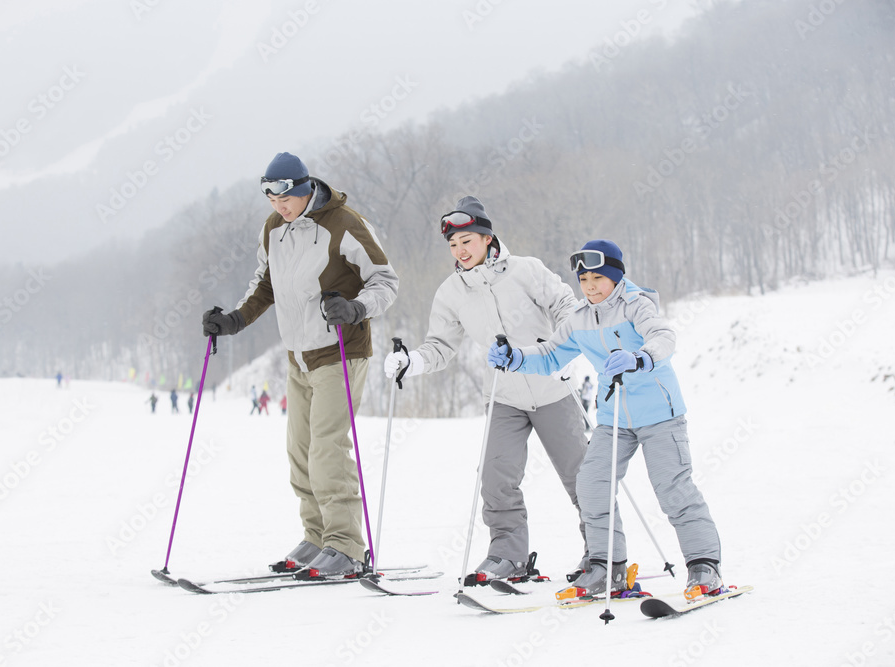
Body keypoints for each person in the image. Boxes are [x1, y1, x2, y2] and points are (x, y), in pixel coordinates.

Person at [488, 239, 724, 600]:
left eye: (598, 277)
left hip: (660, 414)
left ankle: (704, 566)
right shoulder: (580, 318)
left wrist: (640, 357)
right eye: (584, 280)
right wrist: (515, 357)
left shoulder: (636, 305)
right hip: (615, 419)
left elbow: (663, 335)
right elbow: (552, 355)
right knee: (591, 484)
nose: (591, 286)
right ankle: (607, 566)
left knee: (672, 488)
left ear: (615, 276)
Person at [203, 152, 398, 578]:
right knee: (301, 452)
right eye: (271, 198)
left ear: (304, 187)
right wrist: (234, 320)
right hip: (298, 355)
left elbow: (386, 281)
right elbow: (265, 285)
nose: (278, 205)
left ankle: (346, 545)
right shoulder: (274, 229)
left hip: (341, 351)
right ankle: (317, 537)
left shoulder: (345, 224)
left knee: (328, 447)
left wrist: (355, 307)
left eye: (285, 196)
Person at [384, 196, 590, 583]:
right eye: (453, 245)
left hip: (552, 388)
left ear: (487, 238)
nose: (460, 251)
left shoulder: (526, 271)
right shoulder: (452, 292)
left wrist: (561, 351)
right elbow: (441, 346)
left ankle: (601, 551)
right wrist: (412, 362)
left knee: (580, 476)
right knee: (496, 478)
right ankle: (507, 556)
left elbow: (566, 305)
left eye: (467, 241)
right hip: (503, 395)